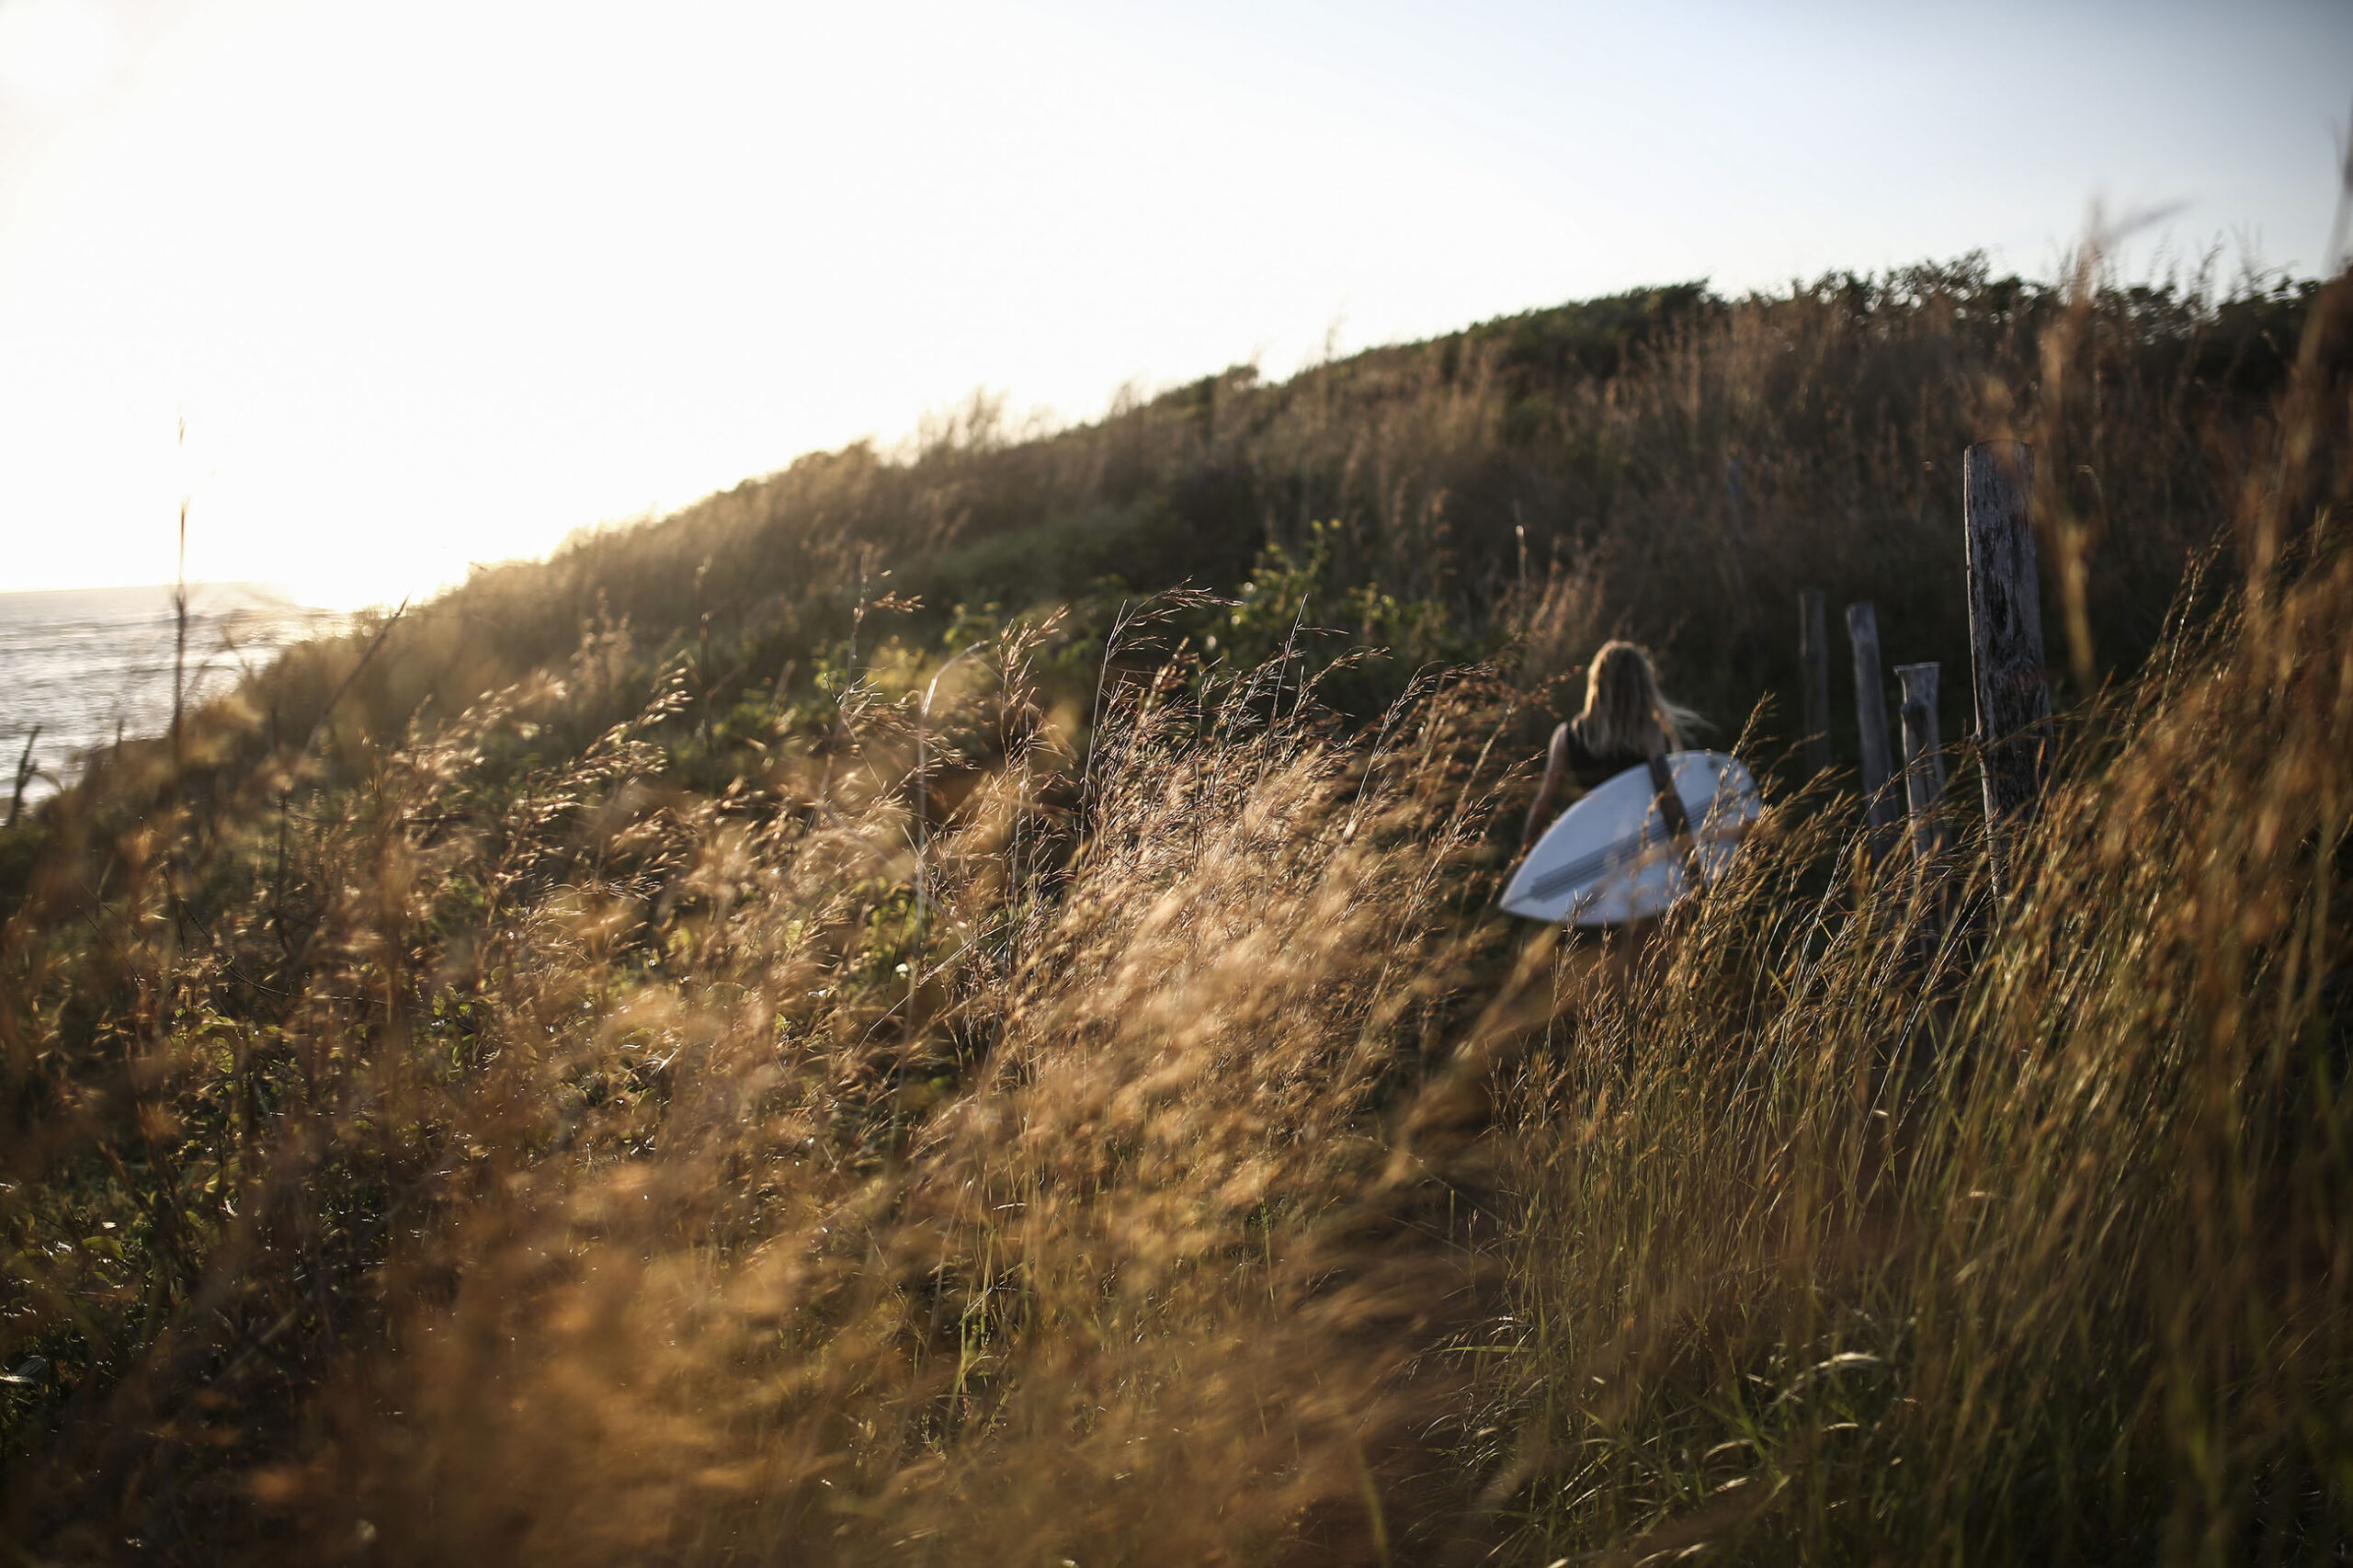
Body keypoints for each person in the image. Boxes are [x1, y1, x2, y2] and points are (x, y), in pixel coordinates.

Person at [1520, 640, 1699, 850]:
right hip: (1641, 844)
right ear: (1640, 686)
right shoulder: (1647, 732)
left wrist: (1522, 856)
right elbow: (1667, 798)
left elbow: (1544, 804)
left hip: (1593, 846)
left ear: (1596, 683)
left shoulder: (1567, 736)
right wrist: (1692, 862)